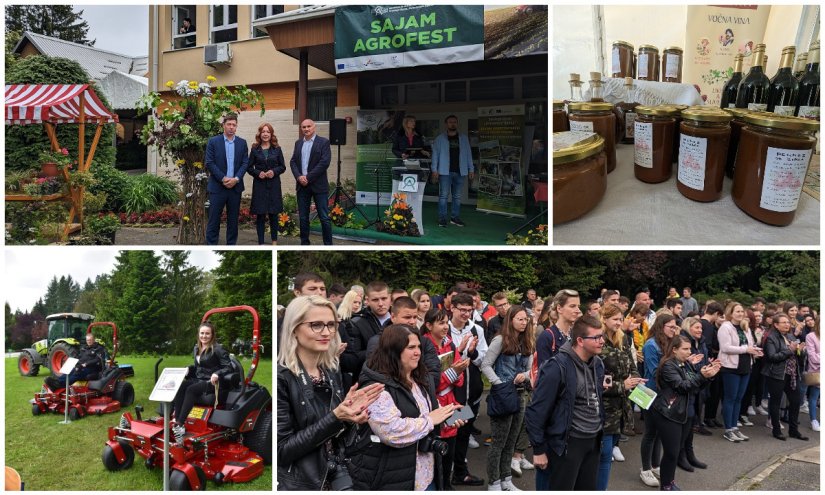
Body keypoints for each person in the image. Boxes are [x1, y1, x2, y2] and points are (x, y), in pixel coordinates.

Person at [276, 296, 383, 490]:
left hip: (336, 474)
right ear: (294, 329)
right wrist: (336, 417)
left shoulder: (330, 370)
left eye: (331, 325)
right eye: (316, 325)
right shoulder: (282, 378)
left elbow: (334, 433)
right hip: (302, 482)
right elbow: (281, 451)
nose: (326, 332)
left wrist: (350, 417)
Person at [348, 324, 459, 491]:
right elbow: (391, 431)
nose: (418, 352)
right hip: (393, 478)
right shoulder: (376, 387)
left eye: (419, 347)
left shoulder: (420, 377)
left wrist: (447, 416)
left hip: (427, 475)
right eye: (411, 347)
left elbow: (425, 411)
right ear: (393, 350)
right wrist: (430, 420)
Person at [525, 315, 605, 491]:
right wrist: (538, 449)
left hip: (593, 440)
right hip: (568, 443)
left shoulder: (598, 363)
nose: (602, 341)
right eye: (596, 337)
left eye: (602, 336)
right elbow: (536, 411)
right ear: (580, 341)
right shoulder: (556, 367)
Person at [650, 335, 721, 491]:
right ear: (674, 349)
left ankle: (670, 481)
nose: (689, 352)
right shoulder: (668, 365)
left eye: (690, 348)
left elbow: (694, 387)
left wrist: (708, 377)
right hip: (669, 413)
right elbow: (682, 386)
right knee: (671, 452)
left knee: (675, 452)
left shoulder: (685, 364)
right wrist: (701, 375)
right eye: (685, 349)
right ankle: (666, 485)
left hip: (684, 412)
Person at [480, 306, 534, 491]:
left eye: (525, 319)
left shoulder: (527, 341)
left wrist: (526, 375)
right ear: (511, 320)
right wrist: (499, 383)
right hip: (503, 396)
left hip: (520, 395)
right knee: (498, 443)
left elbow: (531, 369)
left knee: (511, 441)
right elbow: (486, 365)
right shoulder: (500, 340)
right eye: (520, 319)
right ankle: (493, 482)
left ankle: (506, 480)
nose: (523, 322)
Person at [422, 308, 470, 490]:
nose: (445, 327)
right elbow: (431, 385)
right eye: (440, 322)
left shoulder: (449, 344)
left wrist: (455, 373)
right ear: (428, 325)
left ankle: (448, 484)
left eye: (446, 322)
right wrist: (453, 372)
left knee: (452, 444)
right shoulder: (423, 346)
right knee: (435, 454)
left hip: (451, 401)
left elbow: (460, 380)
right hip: (433, 405)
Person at [597, 304, 644, 490]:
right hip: (604, 406)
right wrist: (621, 385)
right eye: (615, 319)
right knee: (604, 453)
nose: (619, 322)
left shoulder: (622, 338)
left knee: (607, 453)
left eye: (620, 318)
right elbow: (594, 379)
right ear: (604, 319)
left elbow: (631, 363)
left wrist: (636, 378)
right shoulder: (597, 340)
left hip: (620, 405)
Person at [171, 322, 232, 440]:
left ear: (212, 335)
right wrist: (188, 369)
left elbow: (228, 367)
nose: (204, 336)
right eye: (202, 333)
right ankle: (177, 421)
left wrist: (217, 374)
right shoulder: (196, 348)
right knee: (180, 386)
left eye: (207, 333)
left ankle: (180, 423)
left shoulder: (218, 349)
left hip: (212, 382)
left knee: (191, 389)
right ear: (198, 334)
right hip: (199, 379)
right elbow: (198, 367)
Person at [639, 313, 680, 487]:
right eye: (671, 326)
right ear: (661, 326)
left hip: (664, 394)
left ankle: (655, 465)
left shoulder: (670, 343)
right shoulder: (650, 345)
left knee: (658, 434)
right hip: (650, 393)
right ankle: (645, 468)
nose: (674, 329)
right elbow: (656, 369)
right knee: (649, 433)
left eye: (675, 326)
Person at [718, 302, 762, 442]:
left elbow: (749, 345)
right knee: (730, 398)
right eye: (737, 311)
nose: (740, 313)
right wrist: (746, 350)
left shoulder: (745, 327)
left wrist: (754, 351)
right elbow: (725, 348)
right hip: (730, 367)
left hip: (745, 366)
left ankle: (735, 427)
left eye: (742, 311)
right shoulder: (725, 327)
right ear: (730, 313)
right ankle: (728, 429)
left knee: (739, 398)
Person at [762, 312, 809, 441]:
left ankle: (794, 431)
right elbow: (772, 357)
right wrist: (790, 350)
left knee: (795, 401)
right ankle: (776, 430)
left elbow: (798, 356)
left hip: (792, 374)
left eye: (788, 322)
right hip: (776, 374)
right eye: (784, 322)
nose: (787, 324)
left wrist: (801, 351)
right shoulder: (771, 338)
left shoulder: (791, 336)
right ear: (776, 325)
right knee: (775, 402)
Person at [205, 112, 249, 245]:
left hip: (235, 188)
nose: (231, 127)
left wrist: (236, 179)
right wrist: (223, 178)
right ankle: (211, 246)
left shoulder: (242, 143)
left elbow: (245, 163)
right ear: (223, 125)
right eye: (228, 124)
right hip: (218, 187)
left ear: (236, 127)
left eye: (234, 125)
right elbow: (209, 162)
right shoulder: (213, 142)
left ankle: (231, 245)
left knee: (233, 220)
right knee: (214, 220)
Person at [290, 119, 332, 245]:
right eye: (303, 127)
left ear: (314, 127)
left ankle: (328, 245)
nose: (306, 129)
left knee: (324, 218)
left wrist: (307, 177)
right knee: (303, 218)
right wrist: (299, 177)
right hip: (302, 186)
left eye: (309, 126)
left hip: (318, 186)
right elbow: (293, 162)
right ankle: (304, 244)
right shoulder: (298, 143)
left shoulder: (323, 142)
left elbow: (324, 163)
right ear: (301, 129)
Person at [431, 115, 475, 228]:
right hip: (445, 172)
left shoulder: (464, 138)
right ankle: (442, 219)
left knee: (457, 197)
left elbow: (468, 154)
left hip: (460, 172)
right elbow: (435, 155)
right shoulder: (440, 139)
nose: (453, 124)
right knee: (443, 196)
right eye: (450, 122)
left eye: (454, 122)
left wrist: (471, 169)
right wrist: (434, 169)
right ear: (446, 124)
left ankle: (455, 218)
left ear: (457, 123)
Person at [247, 122, 285, 245]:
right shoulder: (254, 149)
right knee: (261, 215)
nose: (265, 134)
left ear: (271, 134)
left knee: (274, 214)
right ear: (260, 133)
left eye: (268, 132)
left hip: (274, 185)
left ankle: (274, 241)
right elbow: (249, 167)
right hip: (260, 186)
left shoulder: (277, 149)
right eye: (263, 131)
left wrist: (273, 172)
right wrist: (258, 173)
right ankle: (261, 243)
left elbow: (282, 167)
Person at [536, 289, 581, 368]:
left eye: (578, 306)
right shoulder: (547, 337)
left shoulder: (577, 334)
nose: (578, 310)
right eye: (572, 306)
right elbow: (544, 374)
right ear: (559, 308)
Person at [700, 301, 725, 428]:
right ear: (715, 313)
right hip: (709, 360)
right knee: (711, 392)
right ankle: (707, 419)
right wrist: (710, 360)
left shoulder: (701, 323)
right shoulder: (708, 326)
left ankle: (709, 418)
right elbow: (707, 344)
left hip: (703, 359)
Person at [804, 316, 819, 432]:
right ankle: (813, 420)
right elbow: (812, 357)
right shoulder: (811, 336)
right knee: (814, 396)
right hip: (817, 370)